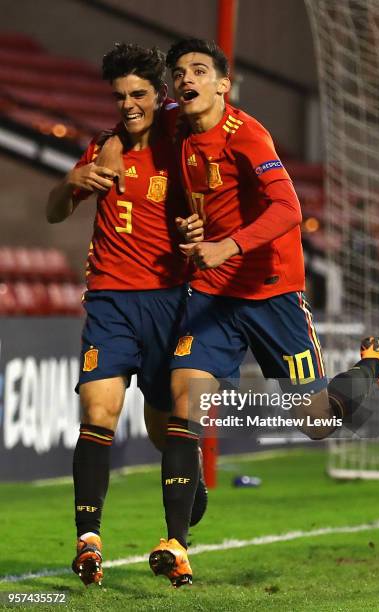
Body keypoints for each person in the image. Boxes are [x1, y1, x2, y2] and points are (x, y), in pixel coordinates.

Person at [140, 38, 379, 588]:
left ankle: (372, 368)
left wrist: (228, 245)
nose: (184, 79)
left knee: (314, 422)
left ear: (223, 83)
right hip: (213, 295)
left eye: (199, 70)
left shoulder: (249, 135)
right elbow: (139, 105)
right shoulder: (176, 125)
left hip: (272, 295)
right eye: (178, 73)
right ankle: (177, 544)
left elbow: (291, 208)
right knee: (183, 403)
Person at [46, 43, 207, 587]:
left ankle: (189, 485)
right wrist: (74, 181)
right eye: (120, 97)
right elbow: (53, 210)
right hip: (111, 300)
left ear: (157, 95)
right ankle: (90, 541)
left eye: (138, 94)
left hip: (170, 301)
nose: (128, 104)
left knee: (167, 428)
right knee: (97, 414)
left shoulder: (176, 139)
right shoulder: (100, 146)